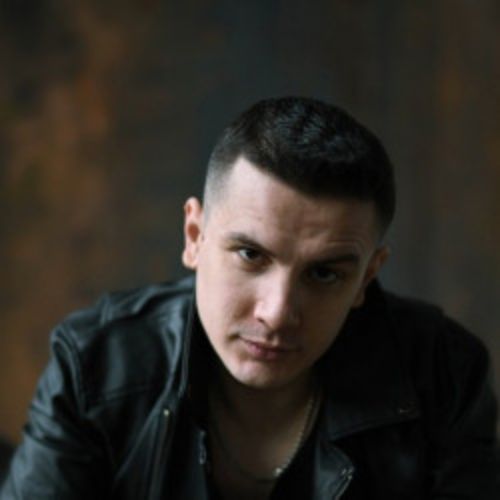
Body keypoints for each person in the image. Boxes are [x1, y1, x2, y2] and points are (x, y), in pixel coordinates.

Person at [1, 97, 498, 499]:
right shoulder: (97, 364)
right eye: (250, 255)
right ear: (195, 236)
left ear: (367, 277)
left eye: (324, 273)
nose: (277, 313)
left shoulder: (442, 373)